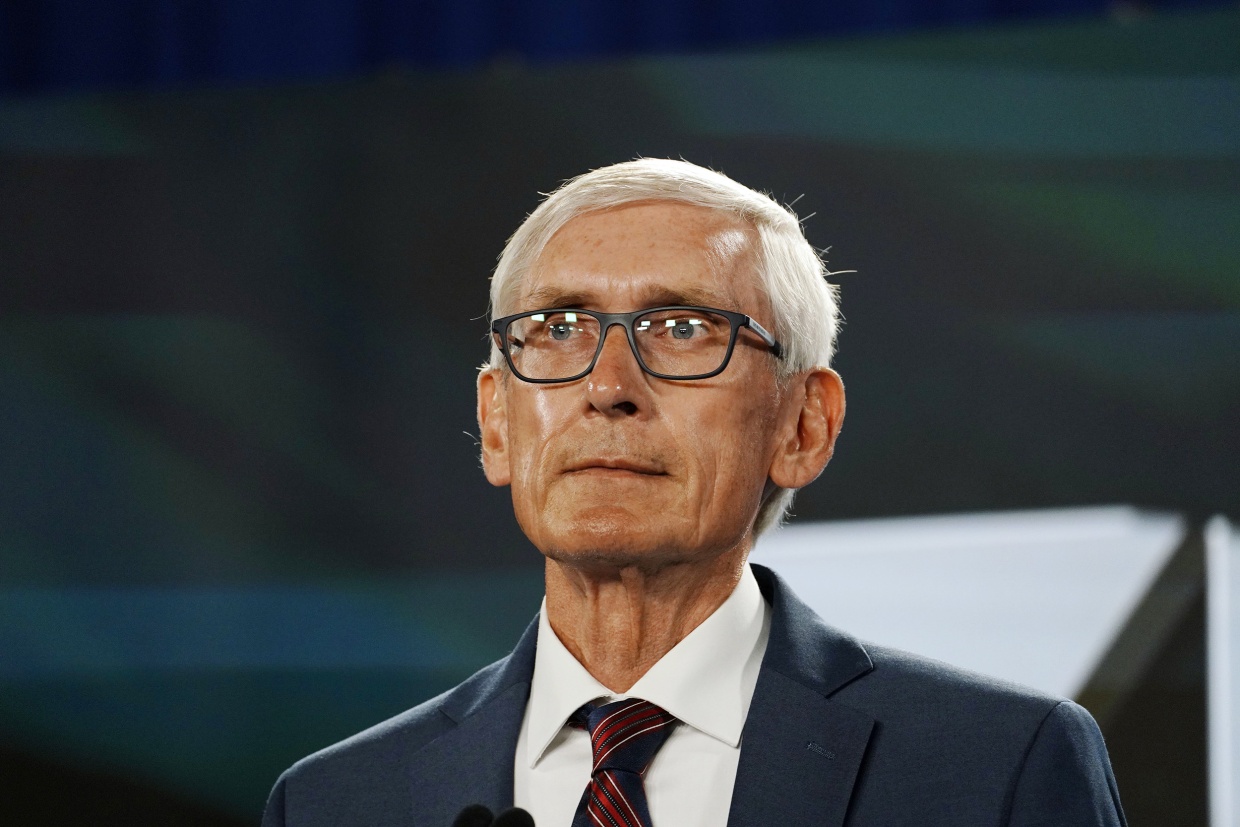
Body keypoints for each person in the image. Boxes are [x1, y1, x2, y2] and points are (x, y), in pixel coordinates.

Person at [262, 159, 1126, 827]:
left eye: (683, 329)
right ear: (496, 422)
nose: (608, 384)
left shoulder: (994, 770)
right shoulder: (338, 801)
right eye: (558, 328)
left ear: (803, 426)